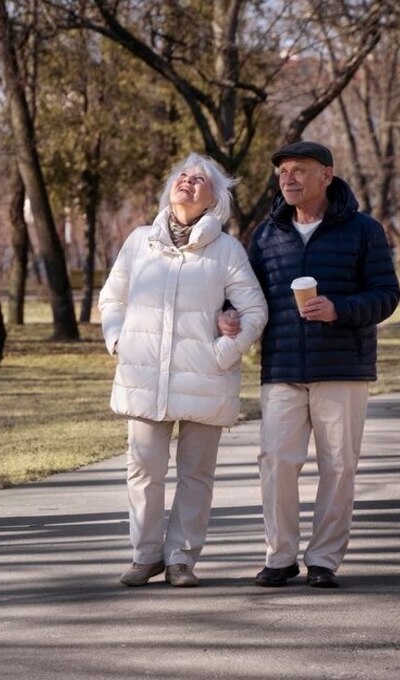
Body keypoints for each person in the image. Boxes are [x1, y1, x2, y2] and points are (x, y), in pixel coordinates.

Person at [221, 140, 400, 588]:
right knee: (277, 461)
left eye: (299, 170)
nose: (289, 179)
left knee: (338, 466)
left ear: (327, 174)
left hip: (342, 367)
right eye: (283, 172)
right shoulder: (266, 234)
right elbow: (244, 294)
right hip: (281, 365)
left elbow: (386, 294)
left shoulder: (363, 230)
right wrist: (229, 313)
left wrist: (339, 308)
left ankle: (324, 560)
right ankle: (279, 556)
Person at [99, 152, 267, 588]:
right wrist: (118, 339)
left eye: (200, 179)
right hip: (144, 377)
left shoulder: (227, 250)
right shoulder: (139, 242)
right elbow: (112, 298)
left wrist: (225, 350)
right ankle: (145, 556)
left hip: (205, 377)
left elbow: (254, 310)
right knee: (143, 471)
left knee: (196, 476)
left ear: (215, 200)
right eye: (183, 175)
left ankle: (181, 560)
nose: (188, 182)